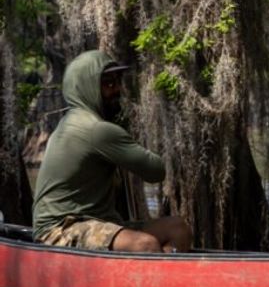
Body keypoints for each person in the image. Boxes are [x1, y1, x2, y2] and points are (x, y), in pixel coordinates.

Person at [32, 51, 192, 253]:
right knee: (144, 244)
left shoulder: (72, 121)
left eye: (118, 82)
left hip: (99, 223)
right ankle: (157, 281)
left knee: (178, 228)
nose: (117, 89)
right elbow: (156, 171)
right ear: (87, 89)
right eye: (108, 84)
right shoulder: (97, 130)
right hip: (59, 231)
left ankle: (168, 280)